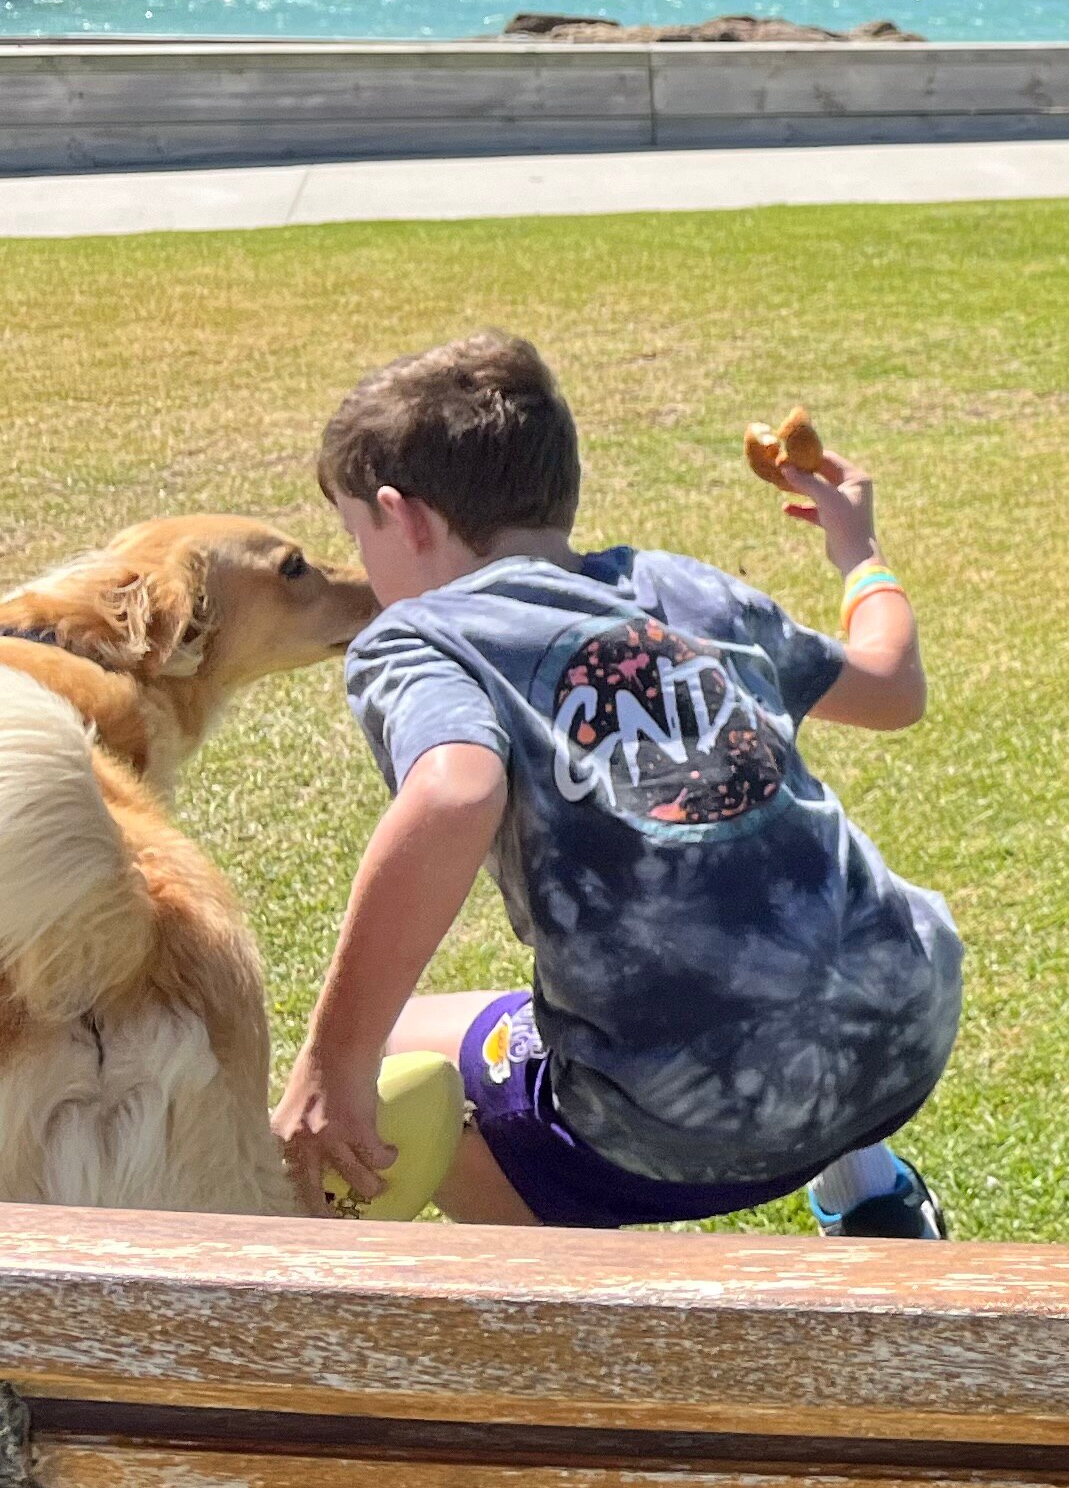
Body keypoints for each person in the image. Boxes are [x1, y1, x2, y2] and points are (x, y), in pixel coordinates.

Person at [279, 332, 958, 1235]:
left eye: (356, 538)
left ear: (405, 519)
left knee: (406, 1058)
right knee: (760, 916)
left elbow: (453, 793)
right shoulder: (679, 587)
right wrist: (857, 549)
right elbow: (893, 688)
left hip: (679, 1131)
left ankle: (575, 1324)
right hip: (904, 1026)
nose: (363, 572)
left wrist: (334, 1059)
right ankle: (873, 1201)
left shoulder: (423, 637)